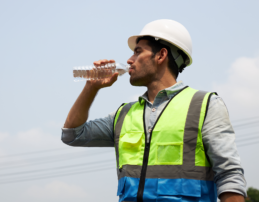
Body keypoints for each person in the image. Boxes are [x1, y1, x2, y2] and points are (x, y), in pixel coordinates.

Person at [61, 19, 246, 202]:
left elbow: (230, 177)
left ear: (161, 55)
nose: (129, 60)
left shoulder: (205, 106)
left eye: (137, 51)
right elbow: (71, 134)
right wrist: (91, 88)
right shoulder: (124, 114)